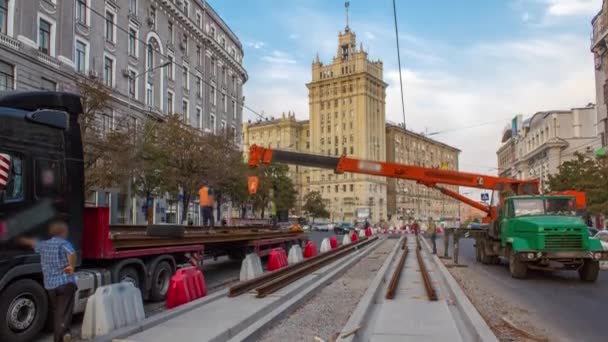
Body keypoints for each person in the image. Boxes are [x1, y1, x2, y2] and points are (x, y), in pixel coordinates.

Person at [18, 220, 77, 342]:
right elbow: (72, 253)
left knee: (57, 312)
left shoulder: (44, 244)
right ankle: (61, 337)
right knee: (64, 313)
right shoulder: (63, 243)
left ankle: (63, 335)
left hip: (50, 285)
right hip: (65, 283)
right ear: (63, 232)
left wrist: (17, 237)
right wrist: (71, 266)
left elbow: (31, 242)